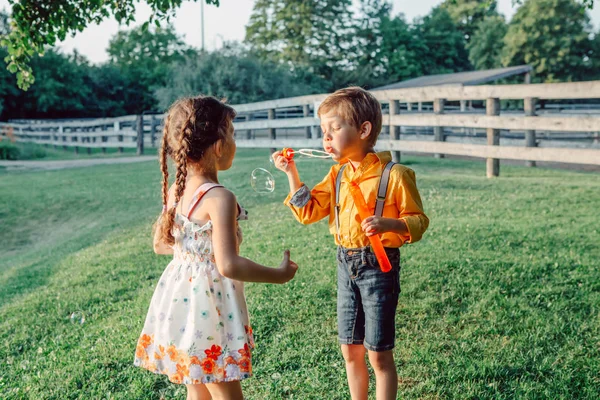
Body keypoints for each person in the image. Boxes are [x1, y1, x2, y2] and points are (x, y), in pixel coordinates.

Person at [134, 96, 298, 400]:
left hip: (179, 303)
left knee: (197, 390)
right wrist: (279, 274)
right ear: (218, 146)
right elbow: (228, 265)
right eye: (232, 132)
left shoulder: (177, 189)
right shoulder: (220, 197)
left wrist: (193, 257)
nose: (235, 140)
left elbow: (161, 245)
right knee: (226, 392)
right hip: (208, 307)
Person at [273, 87, 429, 400]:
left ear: (363, 129)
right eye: (323, 132)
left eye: (334, 129)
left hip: (378, 266)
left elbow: (419, 221)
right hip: (345, 264)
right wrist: (291, 172)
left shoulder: (394, 175)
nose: (326, 138)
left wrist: (389, 223)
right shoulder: (337, 174)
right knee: (349, 349)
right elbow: (308, 211)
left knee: (378, 354)